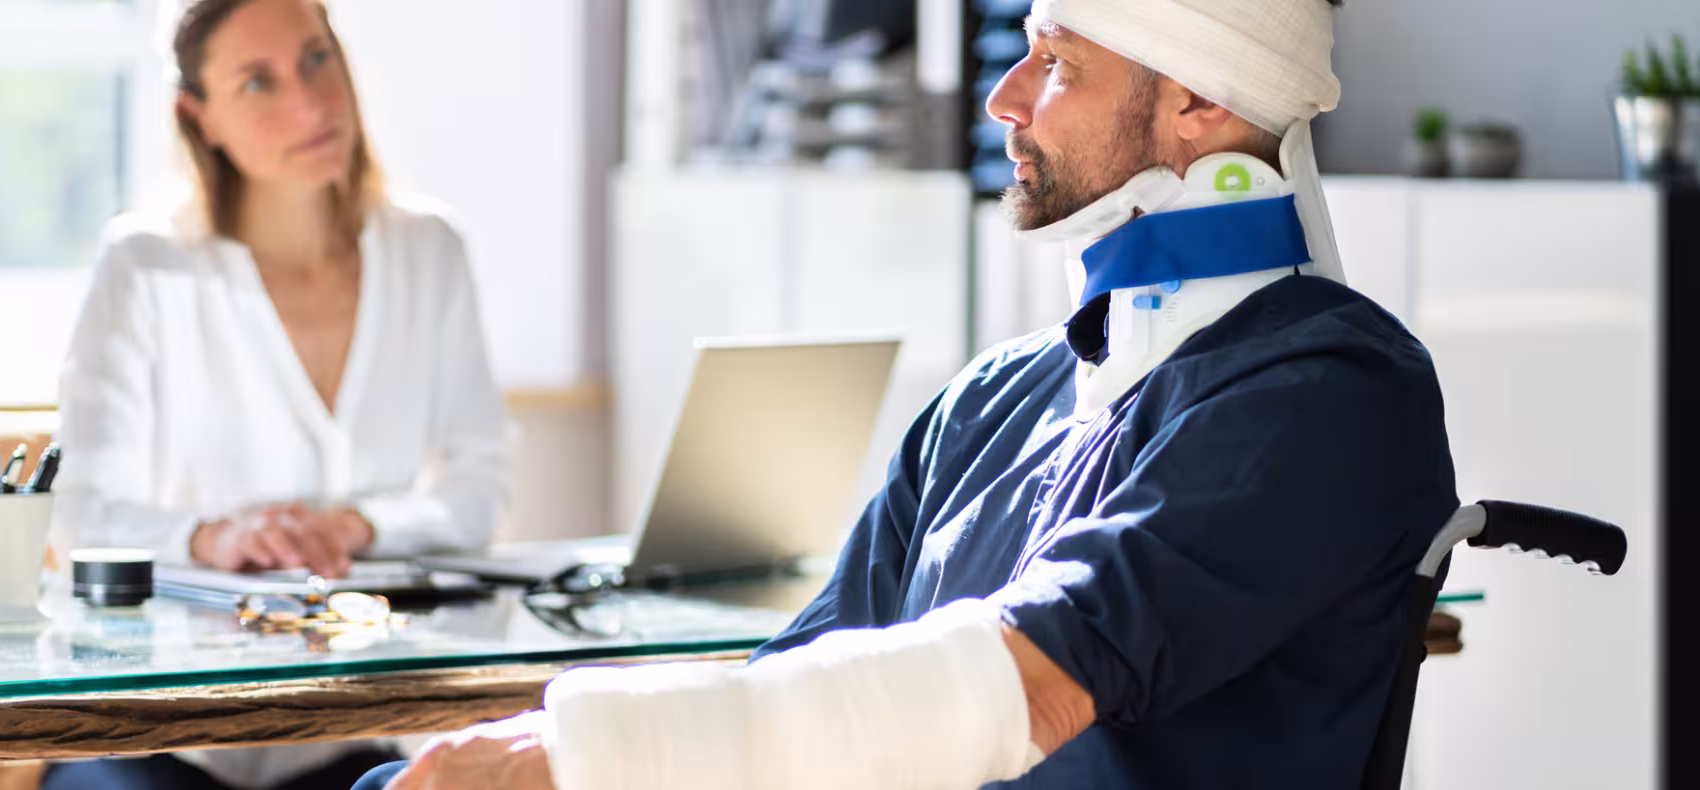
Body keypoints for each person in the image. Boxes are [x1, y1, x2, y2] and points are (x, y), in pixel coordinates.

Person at [354, 0, 1459, 788]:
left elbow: (1026, 685)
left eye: (1055, 63)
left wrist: (583, 755)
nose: (1000, 98)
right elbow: (806, 683)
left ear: (1197, 106)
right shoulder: (992, 399)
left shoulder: (1329, 395)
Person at [44, 0, 512, 787]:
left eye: (316, 58)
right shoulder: (146, 264)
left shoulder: (431, 250)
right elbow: (82, 512)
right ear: (200, 117)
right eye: (258, 81)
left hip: (362, 728)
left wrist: (360, 525)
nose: (310, 102)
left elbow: (480, 491)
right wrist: (212, 538)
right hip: (169, 734)